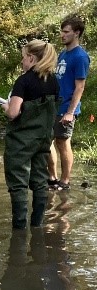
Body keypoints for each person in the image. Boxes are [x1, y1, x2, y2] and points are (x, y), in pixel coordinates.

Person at [1, 39, 59, 229]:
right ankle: (37, 225)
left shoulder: (23, 81)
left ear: (32, 58)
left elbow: (13, 113)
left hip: (21, 141)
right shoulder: (53, 81)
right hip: (43, 140)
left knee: (18, 184)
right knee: (40, 181)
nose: (22, 62)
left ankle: (19, 229)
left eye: (24, 58)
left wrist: (5, 106)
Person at [48, 14, 90, 191]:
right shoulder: (63, 53)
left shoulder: (80, 57)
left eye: (66, 32)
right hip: (53, 105)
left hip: (67, 107)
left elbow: (79, 87)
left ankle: (65, 181)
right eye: (61, 31)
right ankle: (52, 177)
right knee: (46, 142)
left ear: (77, 33)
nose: (62, 35)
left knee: (63, 142)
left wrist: (70, 112)